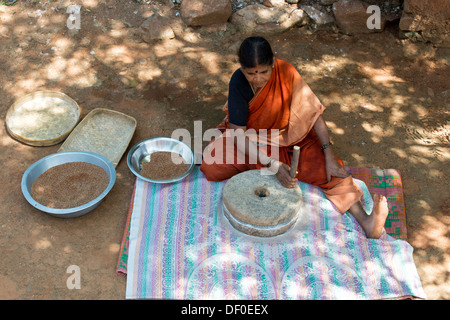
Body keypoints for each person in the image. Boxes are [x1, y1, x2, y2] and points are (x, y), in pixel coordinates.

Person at [200, 36, 389, 239]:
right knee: (212, 164)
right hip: (252, 141)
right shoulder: (238, 82)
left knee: (329, 170)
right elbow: (237, 134)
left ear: (273, 63)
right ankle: (269, 166)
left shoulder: (287, 73)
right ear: (242, 69)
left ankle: (366, 221)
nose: (258, 79)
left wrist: (329, 154)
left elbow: (313, 114)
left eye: (264, 71)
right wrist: (272, 164)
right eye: (251, 73)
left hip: (289, 138)